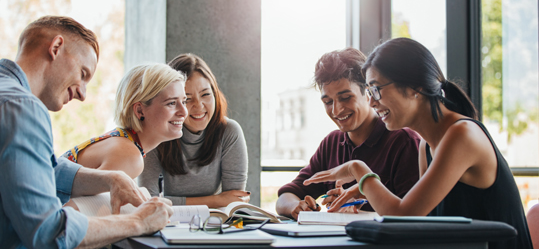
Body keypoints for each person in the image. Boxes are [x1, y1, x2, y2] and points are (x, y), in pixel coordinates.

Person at [304, 38, 532, 249]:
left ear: (415, 87)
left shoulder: (462, 135)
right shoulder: (426, 146)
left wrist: (358, 170)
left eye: (376, 89)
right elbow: (417, 222)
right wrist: (363, 191)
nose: (371, 101)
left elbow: (402, 217)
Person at [0, 16, 173, 249]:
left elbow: (39, 169)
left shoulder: (8, 99)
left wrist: (112, 178)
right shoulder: (23, 108)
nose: (82, 94)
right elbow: (48, 233)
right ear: (56, 47)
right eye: (83, 73)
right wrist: (137, 221)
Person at [276, 47, 421, 220]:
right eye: (328, 102)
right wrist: (296, 207)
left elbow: (412, 217)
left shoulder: (403, 141)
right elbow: (286, 196)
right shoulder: (332, 143)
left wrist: (359, 207)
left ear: (368, 93)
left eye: (345, 98)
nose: (336, 110)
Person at [138, 53, 249, 207]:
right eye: (187, 99)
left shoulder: (229, 132)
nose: (199, 106)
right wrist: (216, 200)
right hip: (169, 222)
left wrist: (171, 201)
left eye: (206, 94)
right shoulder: (157, 133)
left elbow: (233, 201)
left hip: (215, 223)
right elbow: (148, 201)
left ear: (215, 94)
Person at [62, 63, 188, 179]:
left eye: (184, 102)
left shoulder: (124, 142)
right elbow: (70, 203)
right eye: (171, 103)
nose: (184, 112)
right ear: (139, 111)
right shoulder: (128, 156)